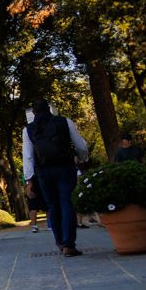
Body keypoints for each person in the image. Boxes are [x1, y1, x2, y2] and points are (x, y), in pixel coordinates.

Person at [22, 99, 89, 256]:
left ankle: (59, 241)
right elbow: (80, 146)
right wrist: (82, 158)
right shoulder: (65, 122)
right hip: (65, 168)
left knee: (53, 206)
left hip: (44, 172)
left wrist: (29, 179)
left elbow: (28, 157)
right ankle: (69, 244)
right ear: (50, 109)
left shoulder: (29, 130)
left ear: (34, 113)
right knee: (67, 203)